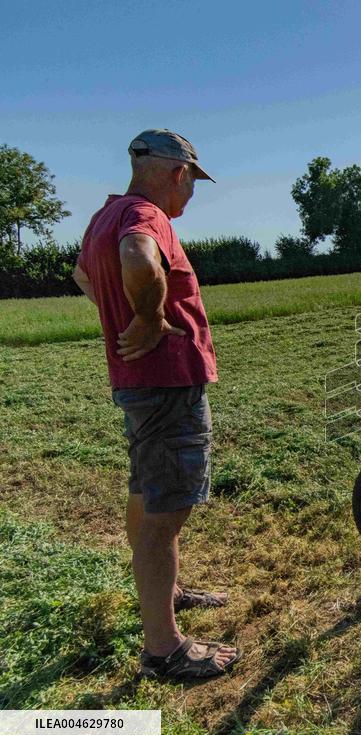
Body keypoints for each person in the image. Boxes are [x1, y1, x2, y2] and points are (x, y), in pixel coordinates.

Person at [73, 129, 239, 679]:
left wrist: (122, 309)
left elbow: (81, 275)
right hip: (166, 383)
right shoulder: (146, 217)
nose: (190, 193)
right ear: (176, 172)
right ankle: (164, 650)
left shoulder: (106, 214)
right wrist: (147, 318)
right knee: (166, 510)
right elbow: (137, 255)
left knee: (148, 492)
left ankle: (165, 594)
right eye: (193, 181)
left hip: (139, 383)